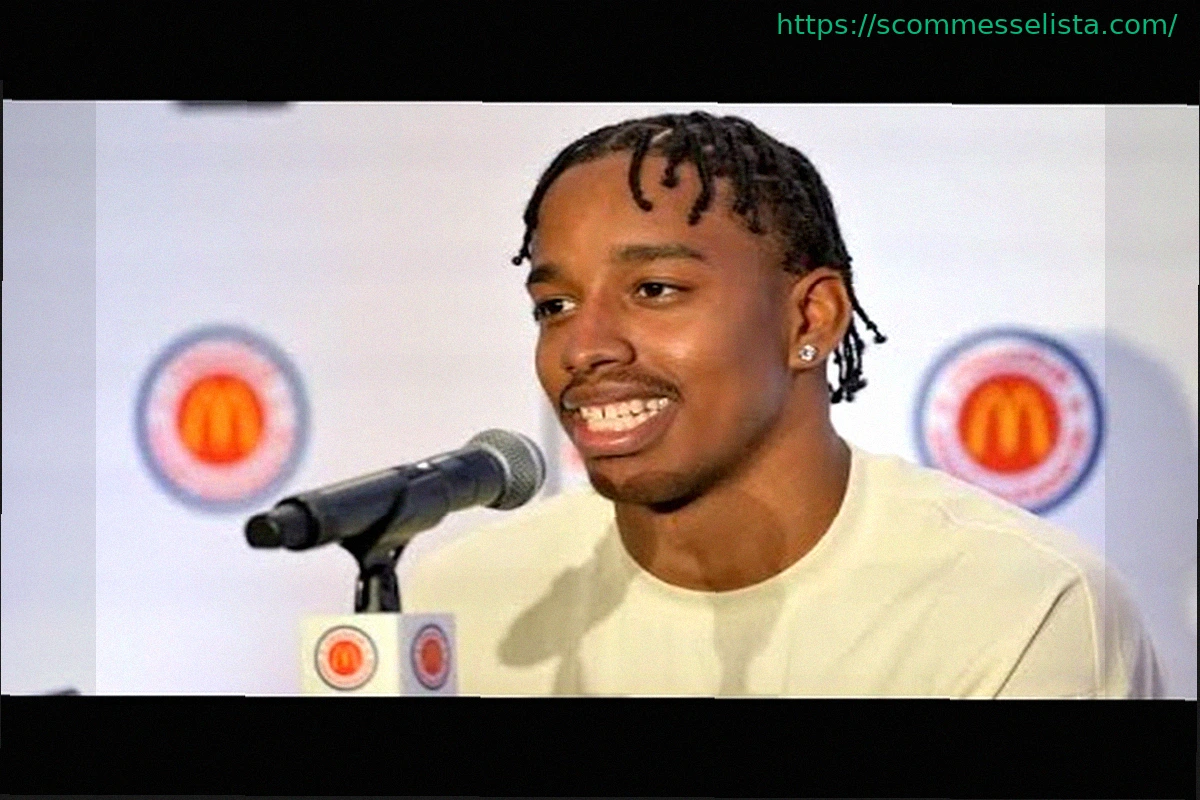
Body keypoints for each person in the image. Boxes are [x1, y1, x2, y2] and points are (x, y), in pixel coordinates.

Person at [403, 111, 1162, 697]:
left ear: (811, 321)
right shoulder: (454, 607)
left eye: (655, 290)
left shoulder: (1019, 607)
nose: (583, 347)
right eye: (555, 306)